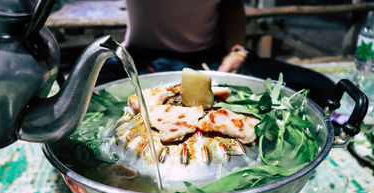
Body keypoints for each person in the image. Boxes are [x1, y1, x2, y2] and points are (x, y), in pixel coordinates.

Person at [97, 0, 335, 108]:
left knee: (322, 89)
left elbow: (231, 5)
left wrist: (237, 52)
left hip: (213, 58)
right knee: (90, 101)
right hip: (145, 57)